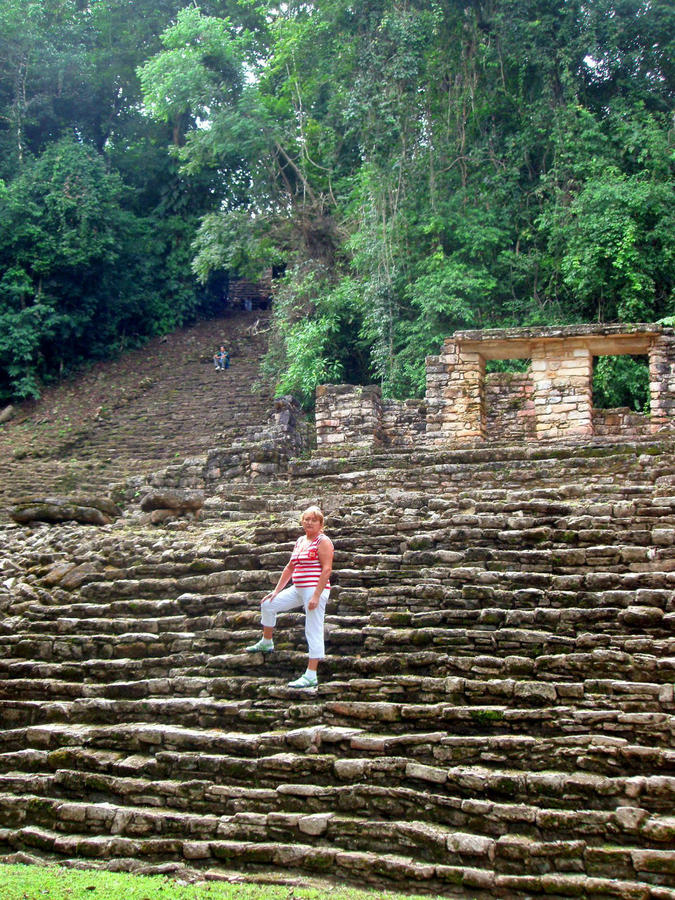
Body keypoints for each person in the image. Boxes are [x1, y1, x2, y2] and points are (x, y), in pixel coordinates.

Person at [246, 505, 334, 689]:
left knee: (313, 629)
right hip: (298, 588)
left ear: (320, 523)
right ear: (302, 521)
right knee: (268, 605)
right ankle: (267, 642)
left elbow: (326, 570)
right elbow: (290, 567)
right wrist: (276, 591)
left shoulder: (323, 541)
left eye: (314, 520)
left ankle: (311, 674)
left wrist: (316, 596)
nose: (309, 523)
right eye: (306, 519)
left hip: (314, 589)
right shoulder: (301, 540)